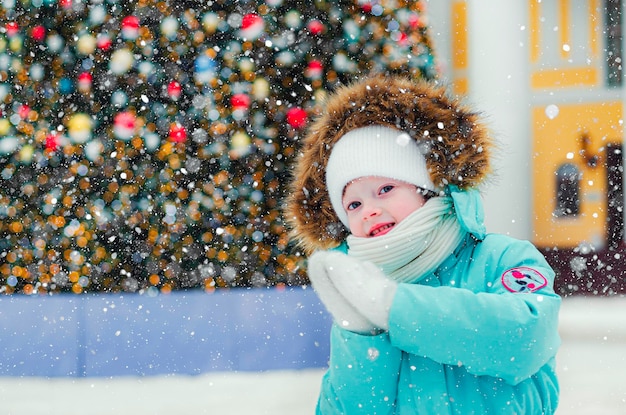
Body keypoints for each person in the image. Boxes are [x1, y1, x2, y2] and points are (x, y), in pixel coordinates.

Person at [285, 75, 560, 414]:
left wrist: (394, 307)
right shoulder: (363, 294)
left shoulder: (501, 259)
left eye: (385, 189)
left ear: (425, 186)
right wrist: (361, 333)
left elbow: (525, 340)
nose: (369, 209)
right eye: (352, 205)